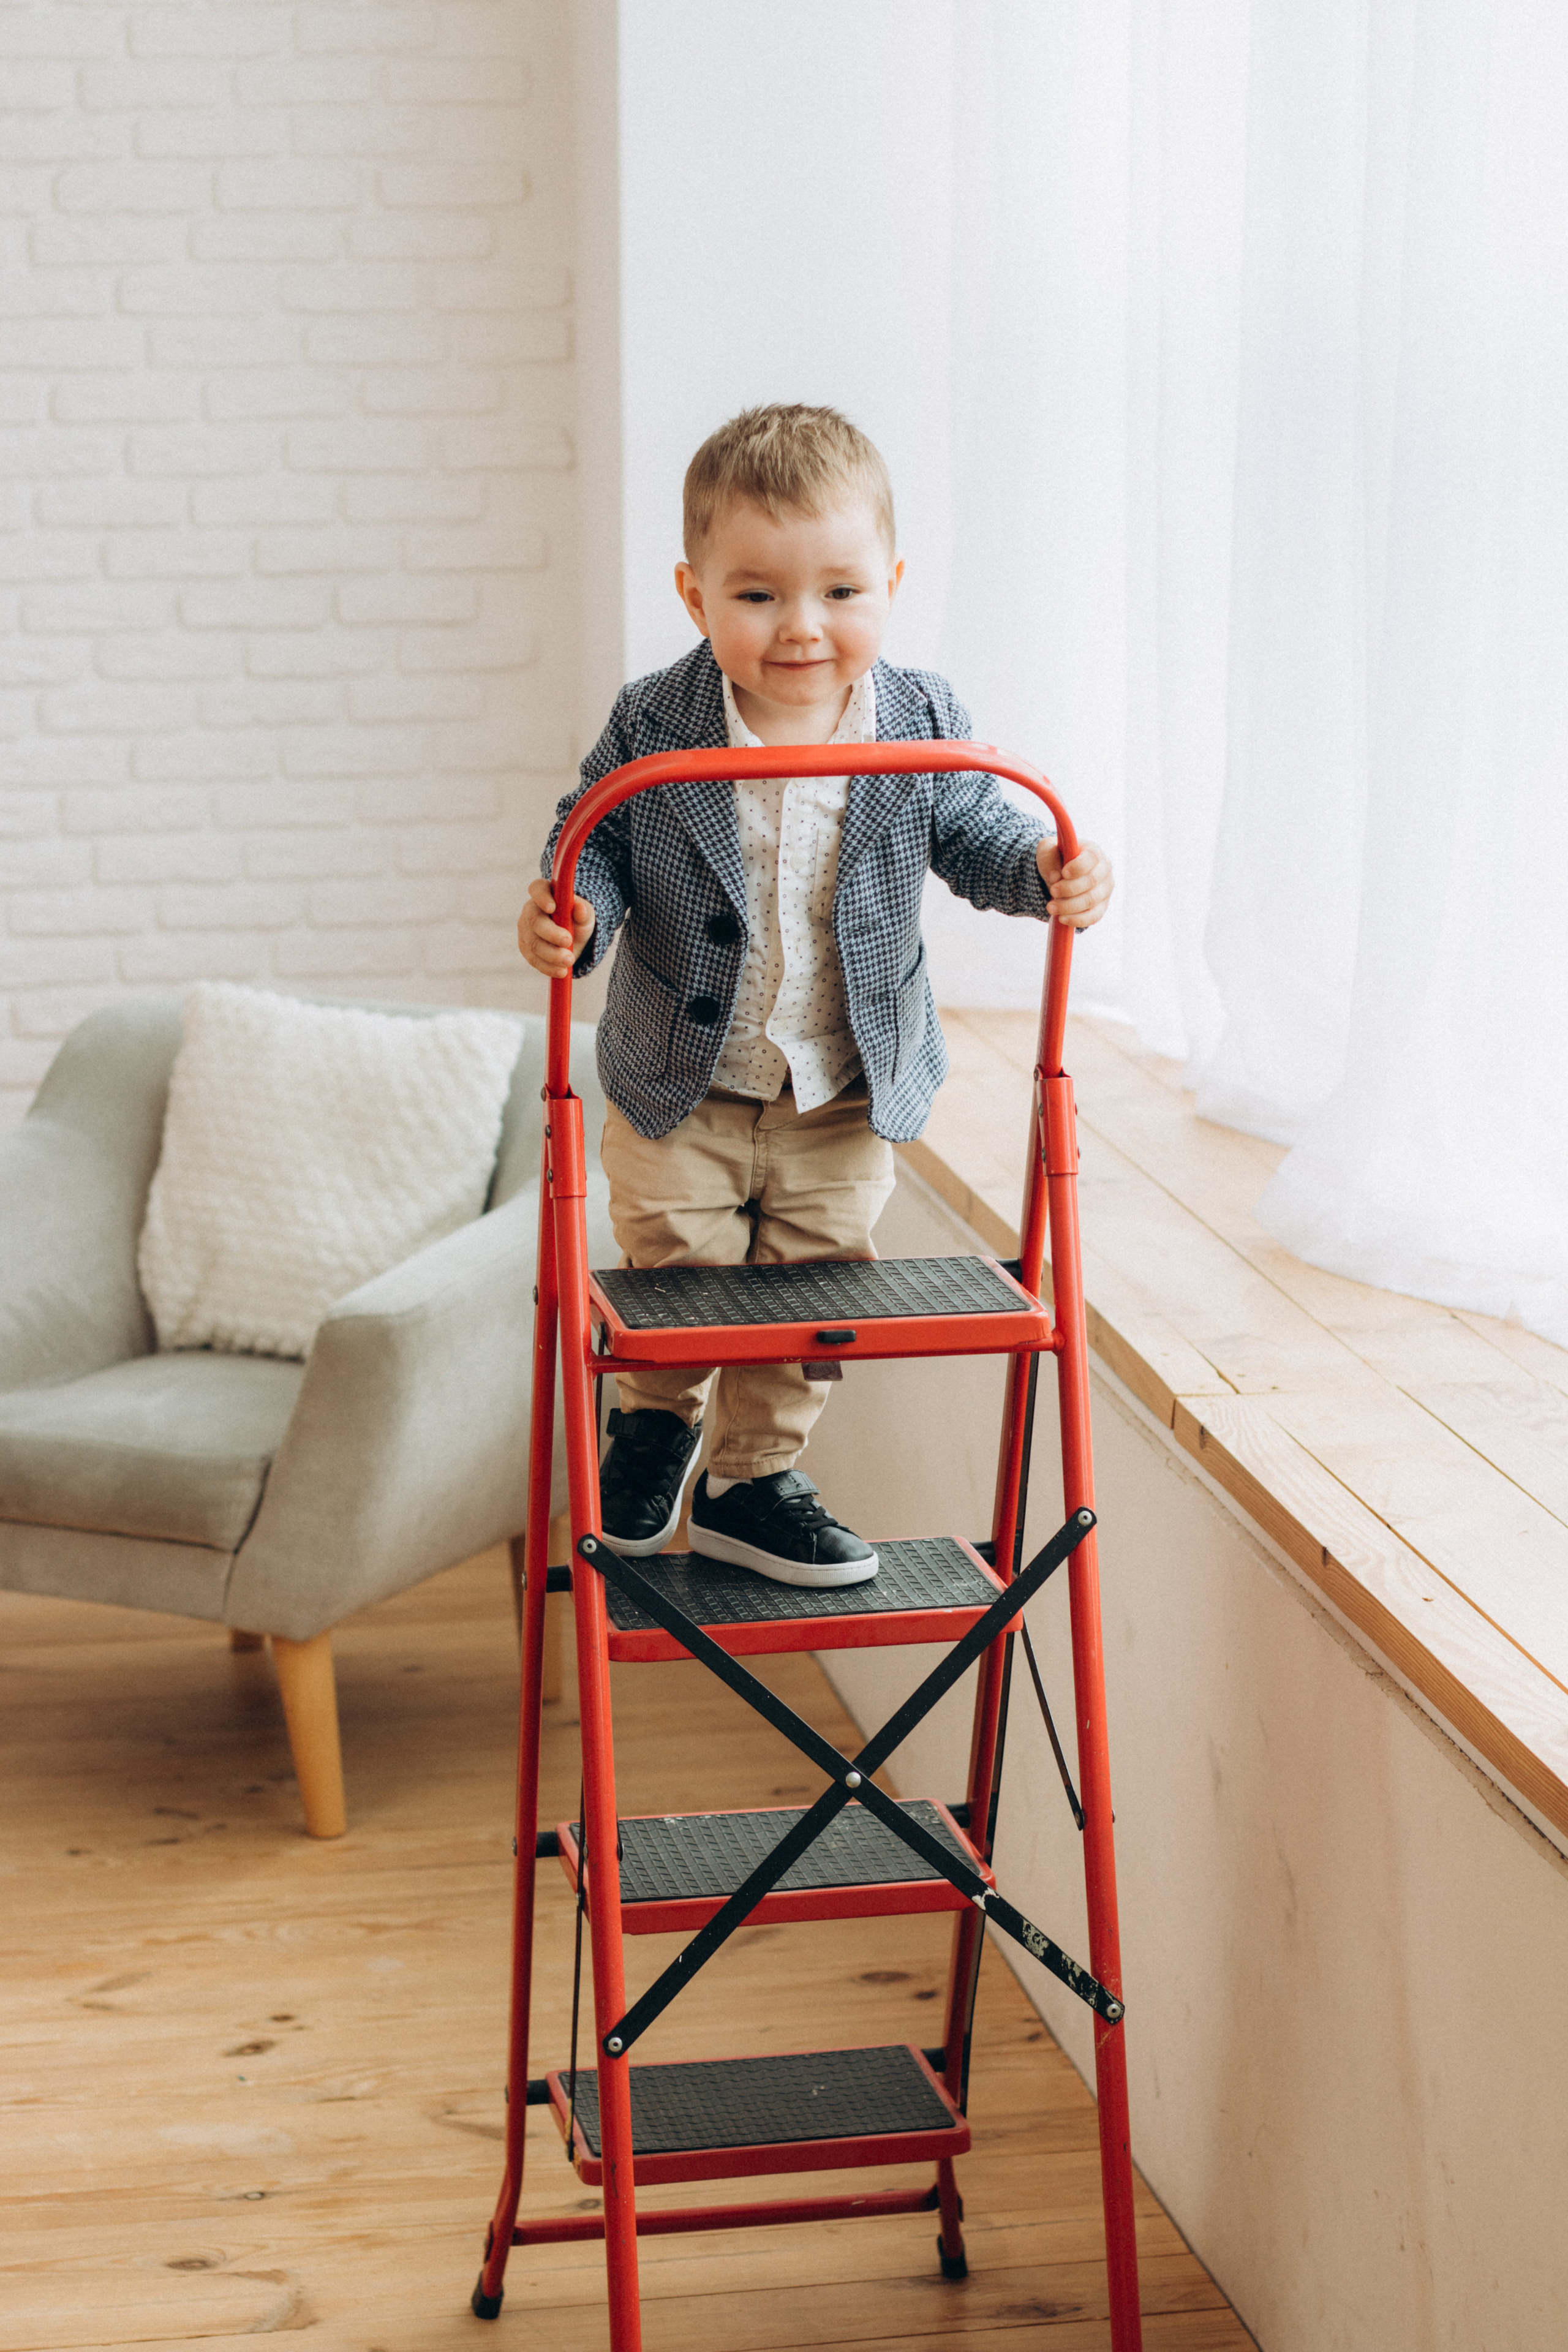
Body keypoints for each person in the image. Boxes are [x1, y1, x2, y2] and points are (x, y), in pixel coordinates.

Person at [519, 404, 1112, 1591]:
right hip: (678, 1083)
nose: (802, 628)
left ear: (888, 585)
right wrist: (569, 910)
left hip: (839, 1084)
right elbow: (593, 839)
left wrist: (1041, 872)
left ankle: (751, 1479)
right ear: (693, 597)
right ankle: (652, 1422)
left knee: (811, 1284)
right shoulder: (656, 718)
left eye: (840, 592)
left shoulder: (919, 718)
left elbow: (975, 828)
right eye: (757, 596)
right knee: (677, 1268)